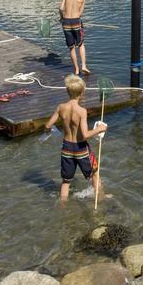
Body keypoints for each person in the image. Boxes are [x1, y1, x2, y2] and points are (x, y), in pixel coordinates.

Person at [43, 74, 108, 203]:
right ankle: (100, 197)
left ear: (67, 91)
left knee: (66, 180)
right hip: (81, 149)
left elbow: (48, 125)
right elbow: (85, 135)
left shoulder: (61, 108)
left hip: (66, 148)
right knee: (94, 173)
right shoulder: (81, 111)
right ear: (82, 92)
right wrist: (99, 130)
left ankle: (63, 205)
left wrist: (50, 130)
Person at [59, 0, 92, 76]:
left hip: (66, 22)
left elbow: (61, 8)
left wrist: (61, 18)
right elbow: (80, 13)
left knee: (71, 47)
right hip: (76, 22)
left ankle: (76, 70)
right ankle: (84, 66)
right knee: (81, 44)